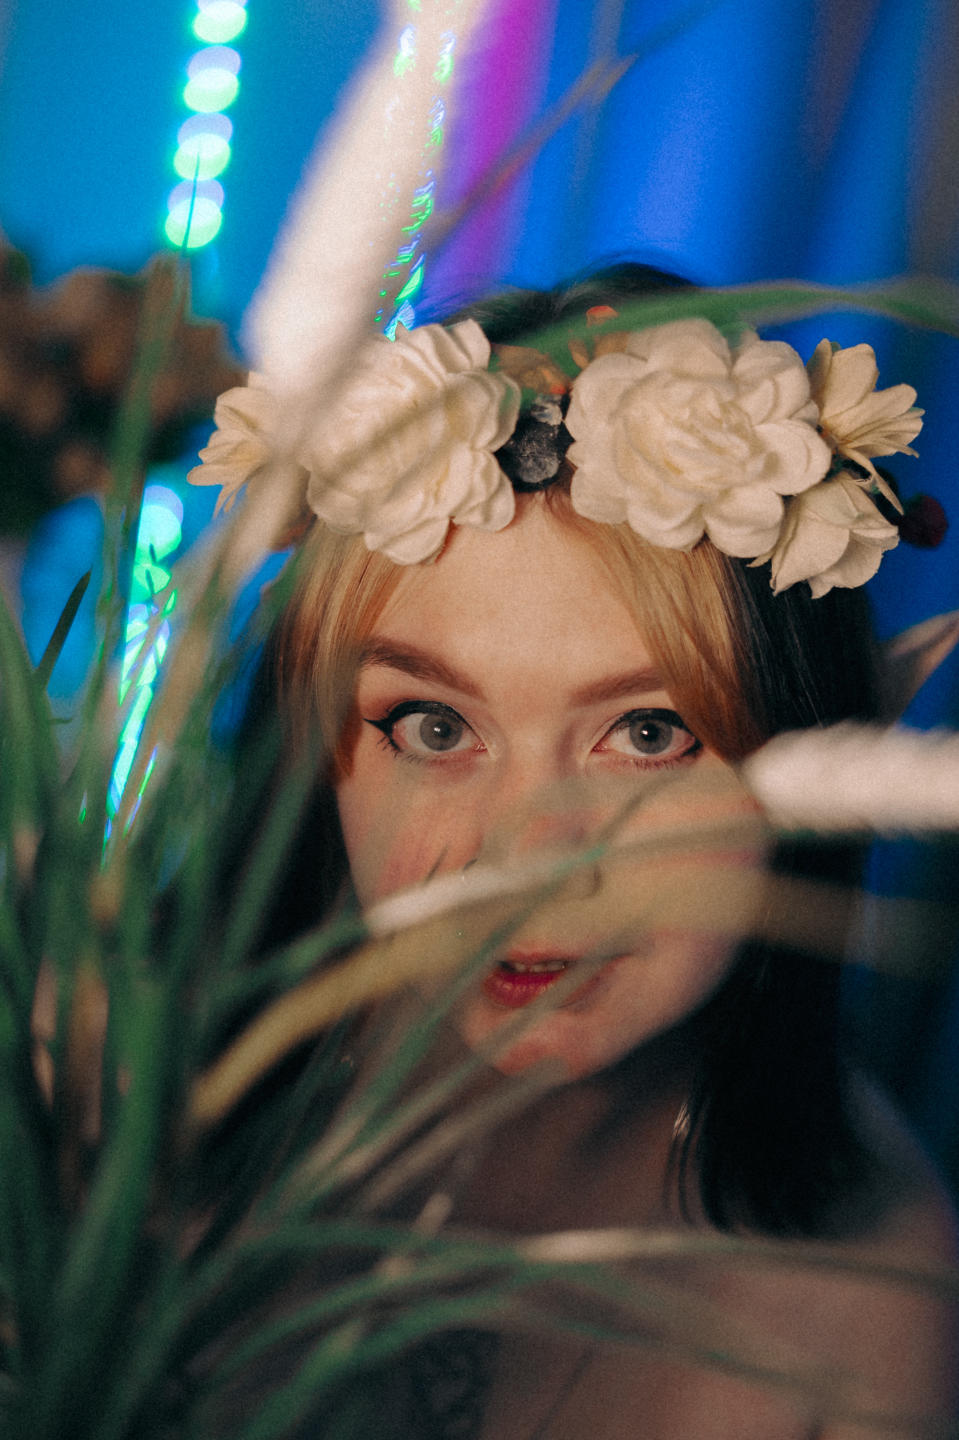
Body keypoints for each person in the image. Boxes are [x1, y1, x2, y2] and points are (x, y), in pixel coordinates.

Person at [191, 265, 958, 1438]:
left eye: (647, 734)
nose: (528, 858)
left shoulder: (872, 1295)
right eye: (432, 727)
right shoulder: (98, 1108)